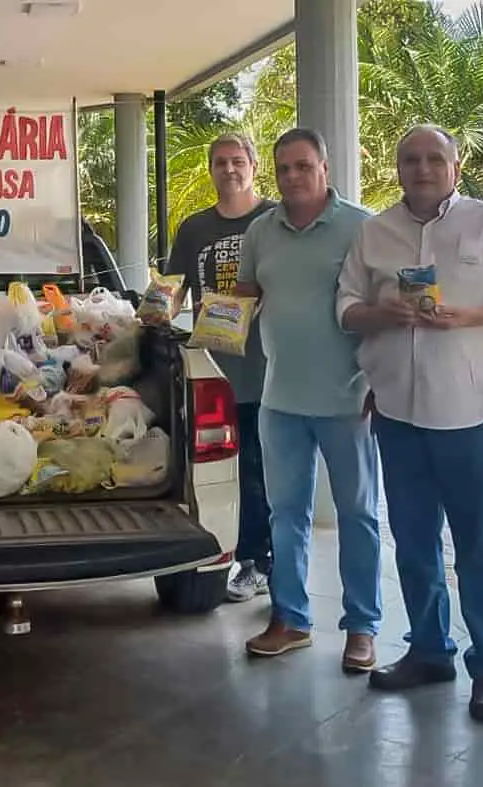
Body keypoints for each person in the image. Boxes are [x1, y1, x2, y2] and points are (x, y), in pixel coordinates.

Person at [338, 125, 483, 722]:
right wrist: (381, 311)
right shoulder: (374, 233)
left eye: (435, 158)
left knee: (481, 547)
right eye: (411, 158)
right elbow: (346, 308)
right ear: (398, 169)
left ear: (455, 169)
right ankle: (429, 651)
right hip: (398, 413)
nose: (423, 167)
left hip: (474, 413)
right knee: (412, 542)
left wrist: (471, 317)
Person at [235, 128, 382, 673]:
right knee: (285, 515)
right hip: (280, 399)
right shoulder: (260, 231)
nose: (292, 177)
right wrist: (188, 314)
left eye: (303, 166)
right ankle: (290, 618)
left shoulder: (362, 227)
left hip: (348, 399)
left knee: (358, 516)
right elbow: (245, 296)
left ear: (325, 167)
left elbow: (383, 305)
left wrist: (380, 381)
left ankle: (362, 627)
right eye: (283, 169)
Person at [167, 132, 276, 603]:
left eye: (237, 161)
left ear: (253, 166)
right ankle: (253, 561)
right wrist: (151, 312)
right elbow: (173, 287)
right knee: (238, 472)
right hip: (216, 372)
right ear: (210, 170)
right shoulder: (194, 229)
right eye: (220, 162)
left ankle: (266, 562)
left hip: (271, 366)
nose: (229, 169)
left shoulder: (273, 219)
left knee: (268, 470)